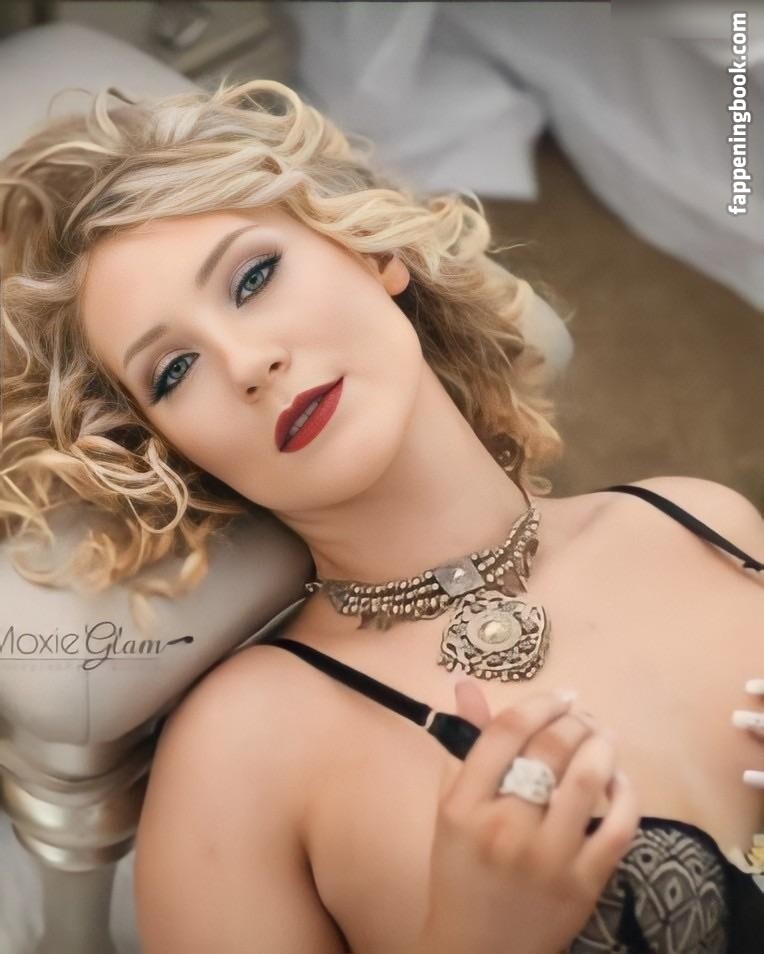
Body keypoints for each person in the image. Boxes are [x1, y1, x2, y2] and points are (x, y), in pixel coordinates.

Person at [1, 77, 762, 953]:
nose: (246, 363)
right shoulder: (242, 757)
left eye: (254, 277)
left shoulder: (704, 525)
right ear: (169, 449)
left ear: (370, 252)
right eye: (173, 372)